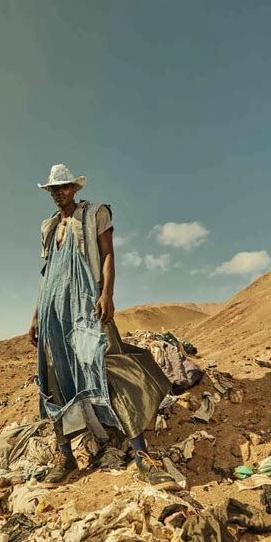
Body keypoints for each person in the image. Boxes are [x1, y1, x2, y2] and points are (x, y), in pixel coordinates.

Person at [29, 164, 173, 486]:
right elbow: (46, 274)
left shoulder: (95, 213)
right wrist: (37, 314)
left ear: (75, 188)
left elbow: (108, 254)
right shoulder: (49, 227)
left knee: (107, 366)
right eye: (54, 189)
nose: (59, 192)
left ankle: (141, 455)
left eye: (64, 186)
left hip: (86, 302)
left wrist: (107, 294)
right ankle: (64, 456)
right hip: (54, 309)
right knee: (56, 376)